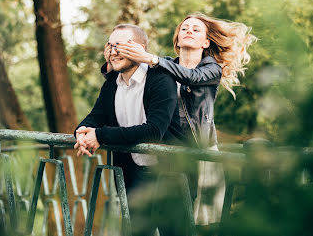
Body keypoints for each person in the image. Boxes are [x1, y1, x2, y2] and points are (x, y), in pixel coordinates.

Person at [110, 12, 257, 225]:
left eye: (196, 30)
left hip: (198, 150)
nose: (189, 31)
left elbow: (190, 77)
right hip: (169, 152)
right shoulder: (163, 66)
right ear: (177, 40)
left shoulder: (211, 69)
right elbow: (133, 77)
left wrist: (151, 59)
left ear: (206, 42)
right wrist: (113, 62)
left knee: (195, 218)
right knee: (168, 215)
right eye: (184, 29)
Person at [74, 24, 189, 235]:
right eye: (110, 45)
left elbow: (154, 130)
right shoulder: (111, 84)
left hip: (169, 177)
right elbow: (96, 116)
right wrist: (82, 131)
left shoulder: (162, 79)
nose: (113, 51)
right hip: (132, 177)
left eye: (120, 45)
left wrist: (100, 135)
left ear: (140, 48)